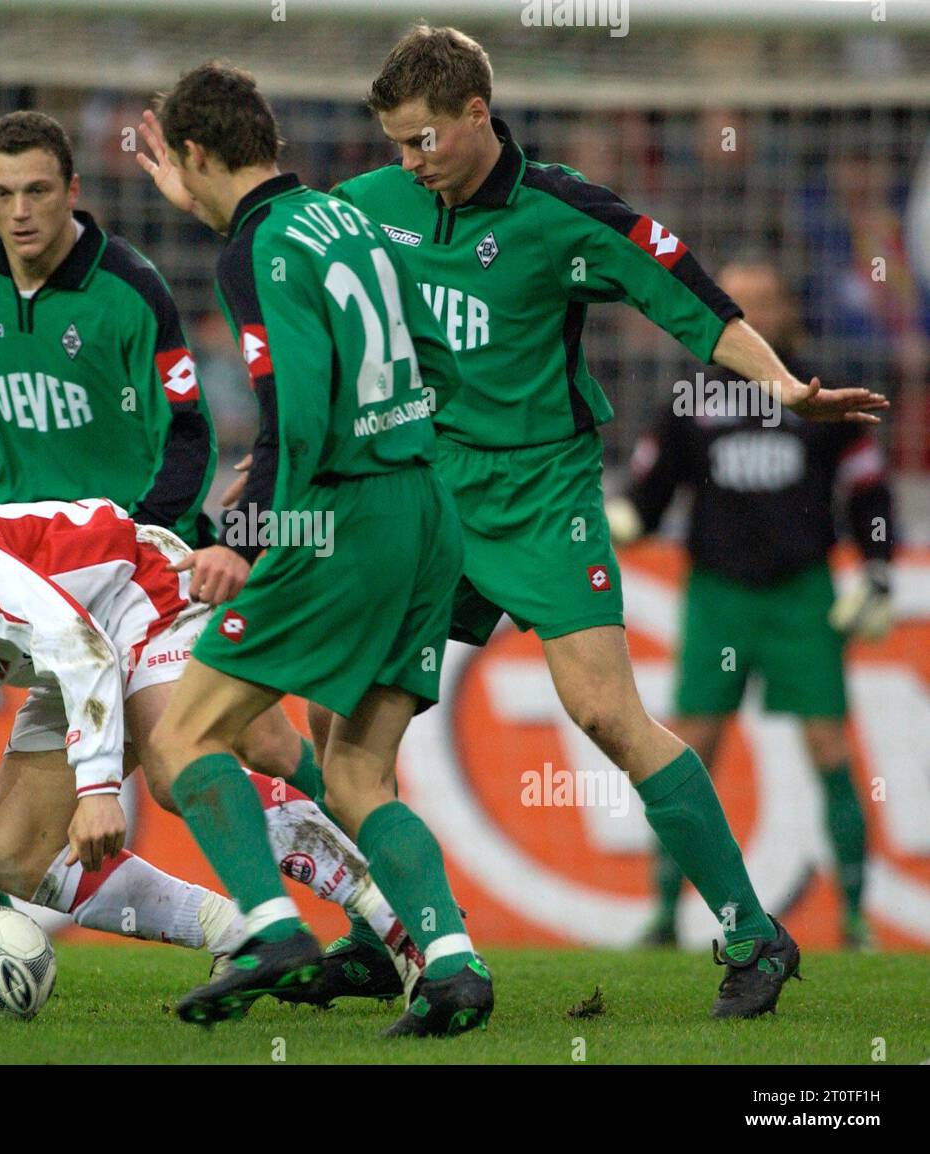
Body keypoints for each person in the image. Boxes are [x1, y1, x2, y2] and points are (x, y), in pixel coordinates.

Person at [315, 25, 887, 1017]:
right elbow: (278, 252)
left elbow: (693, 301)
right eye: (396, 144)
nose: (408, 163)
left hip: (542, 493)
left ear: (476, 116)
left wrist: (786, 386)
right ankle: (389, 930)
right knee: (347, 722)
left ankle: (754, 931)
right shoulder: (373, 204)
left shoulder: (564, 210)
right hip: (431, 487)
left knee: (603, 711)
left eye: (423, 141)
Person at [0, 111, 320, 924]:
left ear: (72, 190)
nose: (20, 211)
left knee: (264, 744)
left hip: (132, 558)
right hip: (13, 556)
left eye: (38, 190)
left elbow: (187, 432)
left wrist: (141, 532)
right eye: (1, 193)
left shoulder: (129, 289)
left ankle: (366, 912)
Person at [0, 499, 421, 1018]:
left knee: (184, 774)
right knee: (13, 856)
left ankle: (404, 930)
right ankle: (237, 935)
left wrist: (96, 790)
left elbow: (78, 640)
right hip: (64, 660)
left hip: (138, 590)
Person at [136, 63, 492, 1037]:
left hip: (342, 514)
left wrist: (245, 533)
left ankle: (268, 926)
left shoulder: (252, 253)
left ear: (194, 153)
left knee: (182, 736)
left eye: (180, 163)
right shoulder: (341, 218)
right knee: (357, 773)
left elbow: (292, 404)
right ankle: (452, 965)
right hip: (426, 507)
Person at [607, 258, 896, 949]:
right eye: (740, 302)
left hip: (803, 596)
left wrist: (879, 569)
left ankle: (855, 916)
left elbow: (868, 492)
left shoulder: (818, 396)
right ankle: (662, 912)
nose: (754, 314)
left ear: (790, 310)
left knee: (829, 746)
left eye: (767, 300)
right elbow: (648, 499)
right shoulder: (690, 400)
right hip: (717, 596)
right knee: (687, 746)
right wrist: (612, 522)